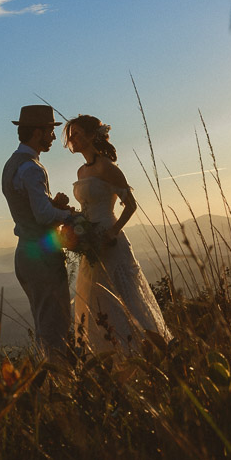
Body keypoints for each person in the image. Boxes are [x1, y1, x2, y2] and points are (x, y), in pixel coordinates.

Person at [63, 114, 171, 350]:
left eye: (78, 133)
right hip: (90, 244)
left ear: (92, 136)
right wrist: (77, 224)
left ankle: (163, 351)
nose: (73, 138)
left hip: (111, 243)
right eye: (71, 135)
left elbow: (130, 205)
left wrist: (113, 231)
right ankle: (115, 356)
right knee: (98, 301)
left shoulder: (107, 168)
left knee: (130, 300)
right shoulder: (81, 172)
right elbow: (86, 208)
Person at [2, 104, 78, 354]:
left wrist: (51, 204)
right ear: (37, 132)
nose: (54, 136)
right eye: (50, 131)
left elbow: (30, 206)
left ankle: (53, 379)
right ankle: (60, 382)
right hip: (42, 256)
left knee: (44, 322)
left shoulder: (11, 165)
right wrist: (70, 215)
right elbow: (43, 215)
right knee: (56, 325)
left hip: (24, 253)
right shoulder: (32, 168)